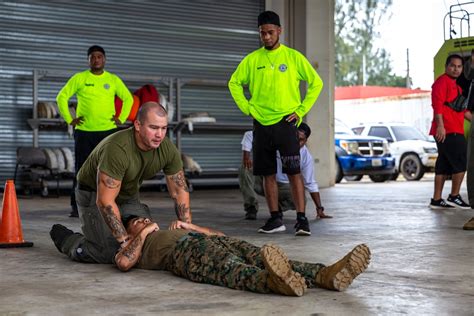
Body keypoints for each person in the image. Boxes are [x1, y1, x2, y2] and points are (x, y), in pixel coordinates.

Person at [50, 102, 192, 264]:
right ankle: (69, 240)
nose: (159, 134)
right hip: (93, 193)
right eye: (153, 128)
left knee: (146, 239)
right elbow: (105, 201)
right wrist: (124, 241)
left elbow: (179, 190)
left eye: (164, 128)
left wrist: (186, 228)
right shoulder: (117, 148)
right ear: (137, 125)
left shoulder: (166, 148)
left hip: (128, 194)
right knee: (109, 251)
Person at [228, 11, 323, 236]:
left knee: (293, 172)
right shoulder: (252, 60)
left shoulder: (293, 57)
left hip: (285, 123)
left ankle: (301, 220)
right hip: (261, 124)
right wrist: (247, 107)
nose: (267, 37)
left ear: (279, 31)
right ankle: (275, 219)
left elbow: (316, 83)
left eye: (271, 32)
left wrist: (300, 110)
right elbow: (234, 82)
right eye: (263, 33)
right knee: (267, 173)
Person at [113, 215, 371, 297]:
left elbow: (220, 234)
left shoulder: (170, 230)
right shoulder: (135, 245)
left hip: (206, 241)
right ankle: (273, 282)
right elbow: (124, 263)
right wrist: (145, 230)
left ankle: (325, 274)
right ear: (129, 231)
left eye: (145, 218)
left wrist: (192, 227)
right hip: (186, 254)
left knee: (259, 255)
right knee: (230, 269)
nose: (145, 220)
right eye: (137, 220)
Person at [56, 45, 134, 218]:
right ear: (88, 60)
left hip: (108, 133)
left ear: (104, 59)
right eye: (93, 57)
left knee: (111, 169)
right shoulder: (80, 78)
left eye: (99, 56)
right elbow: (61, 97)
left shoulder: (112, 80)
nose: (96, 59)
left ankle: (111, 204)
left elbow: (128, 98)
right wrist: (70, 119)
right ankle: (77, 207)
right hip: (84, 132)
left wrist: (121, 118)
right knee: (82, 170)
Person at [239, 123, 331, 222]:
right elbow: (249, 135)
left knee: (301, 200)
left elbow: (310, 183)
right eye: (295, 138)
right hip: (264, 181)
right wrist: (246, 156)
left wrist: (319, 208)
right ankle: (251, 207)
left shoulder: (306, 157)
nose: (297, 143)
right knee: (245, 168)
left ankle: (277, 208)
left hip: (284, 187)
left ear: (306, 140)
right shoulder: (275, 139)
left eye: (301, 140)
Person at [429, 54, 471, 210]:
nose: (456, 69)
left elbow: (462, 111)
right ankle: (454, 196)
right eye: (453, 66)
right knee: (462, 162)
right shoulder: (441, 82)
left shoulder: (457, 86)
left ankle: (437, 199)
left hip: (452, 129)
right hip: (447, 130)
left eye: (459, 66)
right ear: (447, 66)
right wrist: (441, 126)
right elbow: (437, 106)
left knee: (443, 164)